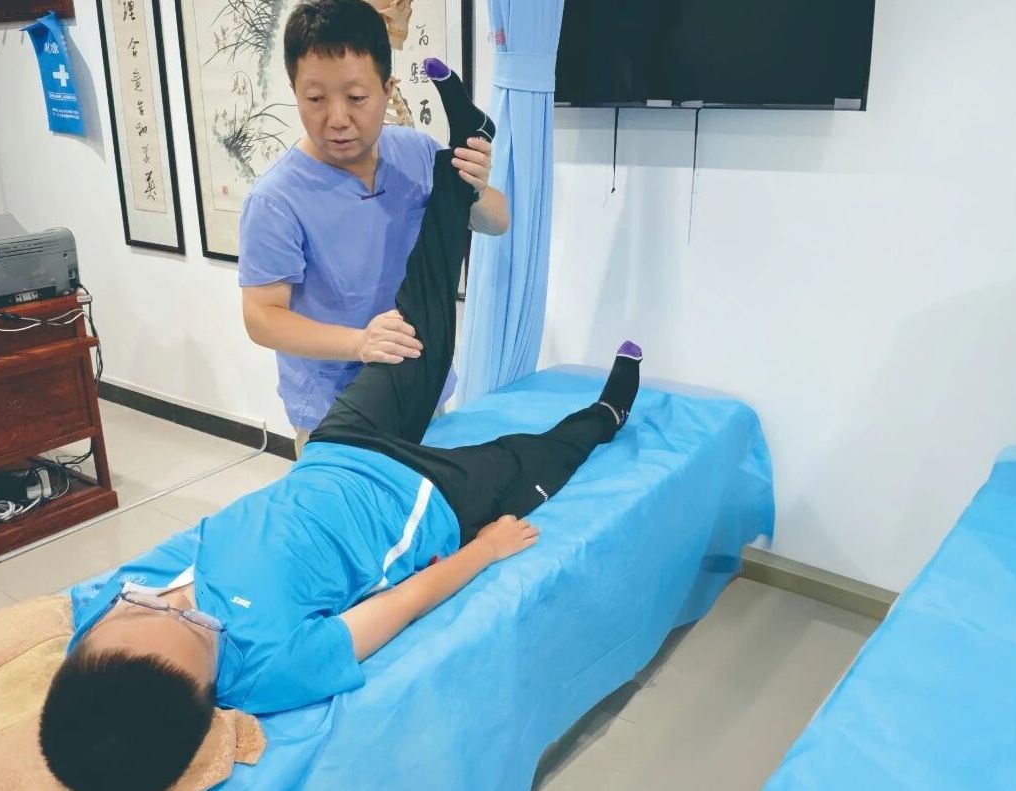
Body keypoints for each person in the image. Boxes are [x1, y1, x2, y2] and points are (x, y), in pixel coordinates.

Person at [38, 59, 641, 791]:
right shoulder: (271, 670)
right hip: (422, 502)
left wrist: (470, 183)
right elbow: (400, 604)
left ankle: (467, 143)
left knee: (417, 314)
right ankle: (607, 412)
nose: (168, 602)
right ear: (207, 696)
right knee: (530, 456)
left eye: (140, 609)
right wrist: (485, 550)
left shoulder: (109, 619)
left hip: (338, 445)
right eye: (186, 624)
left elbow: (81, 637)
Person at [239, 0, 510, 456]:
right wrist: (360, 343)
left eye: (356, 98)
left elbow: (498, 222)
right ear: (294, 90)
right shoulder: (276, 200)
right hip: (335, 414)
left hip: (424, 390)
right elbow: (261, 317)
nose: (337, 118)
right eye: (315, 99)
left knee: (431, 500)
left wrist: (476, 187)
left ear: (387, 88)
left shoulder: (416, 154)